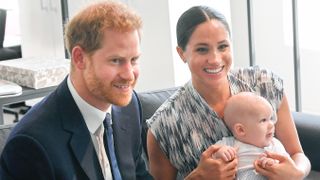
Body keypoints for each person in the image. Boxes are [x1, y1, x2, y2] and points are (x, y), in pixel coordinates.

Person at [147, 5, 311, 180]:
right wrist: (199, 177)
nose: (215, 59)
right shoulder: (164, 126)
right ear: (182, 54)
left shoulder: (265, 84)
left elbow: (297, 153)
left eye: (223, 46)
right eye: (202, 49)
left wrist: (297, 172)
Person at [0, 1, 152, 180]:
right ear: (80, 58)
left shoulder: (129, 107)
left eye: (134, 60)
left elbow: (139, 175)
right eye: (116, 61)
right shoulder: (31, 145)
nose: (129, 75)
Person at [213, 92, 289, 179]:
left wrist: (273, 164)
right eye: (263, 120)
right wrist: (220, 153)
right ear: (241, 130)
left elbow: (286, 167)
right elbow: (211, 157)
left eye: (271, 118)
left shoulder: (275, 145)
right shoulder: (229, 144)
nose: (271, 124)